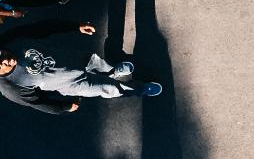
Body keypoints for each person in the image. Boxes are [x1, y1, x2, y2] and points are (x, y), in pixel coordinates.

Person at [0, 19, 162, 114]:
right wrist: (64, 107)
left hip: (75, 59)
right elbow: (38, 102)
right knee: (111, 89)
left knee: (100, 64)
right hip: (73, 84)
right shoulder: (9, 87)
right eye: (1, 64)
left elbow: (42, 28)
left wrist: (75, 26)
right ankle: (139, 89)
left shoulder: (11, 38)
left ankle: (112, 71)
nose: (6, 59)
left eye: (1, 54)